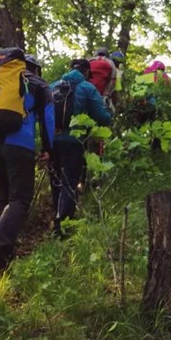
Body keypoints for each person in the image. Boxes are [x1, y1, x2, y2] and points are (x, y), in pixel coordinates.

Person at [0, 53, 55, 269]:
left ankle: (2, 257)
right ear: (36, 68)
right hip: (19, 144)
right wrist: (48, 148)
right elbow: (47, 118)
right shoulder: (38, 84)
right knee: (21, 199)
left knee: (3, 197)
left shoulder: (0, 80)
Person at [50, 59, 112, 237]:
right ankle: (63, 226)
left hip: (52, 140)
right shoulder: (87, 88)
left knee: (56, 180)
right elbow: (103, 118)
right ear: (86, 72)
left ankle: (57, 217)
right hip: (74, 141)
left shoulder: (53, 86)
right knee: (69, 181)